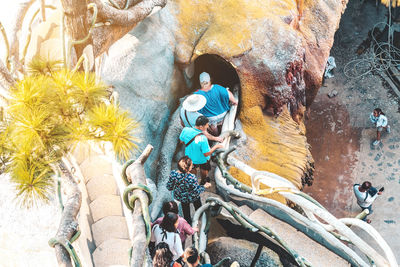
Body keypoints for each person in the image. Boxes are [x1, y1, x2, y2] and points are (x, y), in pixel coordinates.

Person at [179, 116, 223, 184]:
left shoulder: (185, 130)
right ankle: (203, 180)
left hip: (189, 157)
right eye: (207, 125)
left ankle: (193, 181)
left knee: (192, 169)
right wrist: (216, 146)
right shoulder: (203, 138)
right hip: (202, 159)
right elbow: (206, 153)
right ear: (201, 127)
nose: (208, 126)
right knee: (204, 169)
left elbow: (181, 142)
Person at [167, 156, 211, 224]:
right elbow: (196, 191)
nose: (193, 166)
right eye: (191, 165)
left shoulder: (173, 174)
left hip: (181, 197)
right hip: (193, 197)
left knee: (186, 211)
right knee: (198, 206)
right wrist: (204, 186)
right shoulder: (191, 177)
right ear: (188, 168)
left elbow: (169, 187)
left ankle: (188, 223)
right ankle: (200, 216)